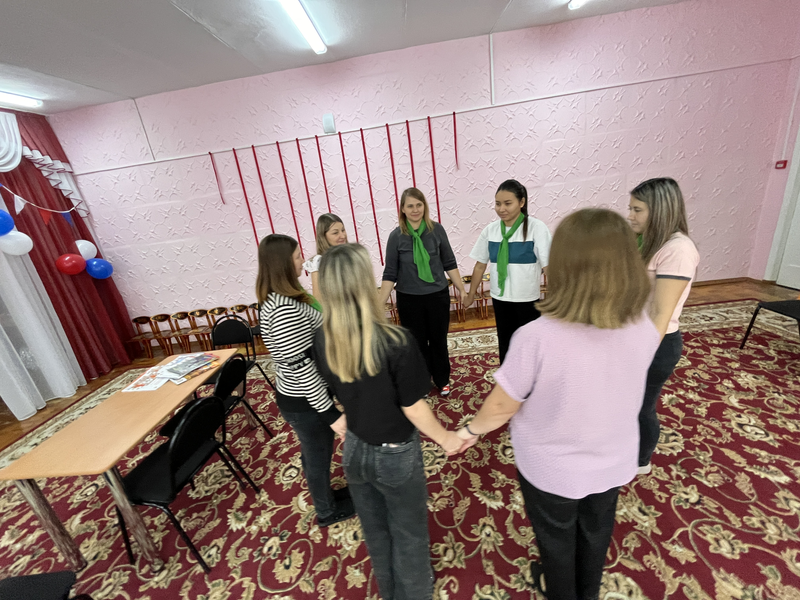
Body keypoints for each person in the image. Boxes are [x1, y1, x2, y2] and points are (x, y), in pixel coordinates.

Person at [455, 209, 659, 600]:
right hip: (612, 459)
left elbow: (500, 407)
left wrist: (469, 430)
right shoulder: (644, 325)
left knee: (556, 537)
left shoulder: (536, 337)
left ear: (564, 265)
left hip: (553, 469)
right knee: (596, 532)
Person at [314, 243, 462, 600]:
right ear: (365, 283)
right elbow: (414, 408)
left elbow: (333, 390)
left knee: (377, 533)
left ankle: (390, 591)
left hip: (354, 449)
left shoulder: (323, 339)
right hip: (395, 454)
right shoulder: (396, 340)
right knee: (409, 534)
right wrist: (446, 438)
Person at [256, 234, 355, 527]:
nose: (303, 260)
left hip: (307, 396)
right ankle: (326, 511)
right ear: (283, 263)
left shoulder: (287, 298)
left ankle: (327, 497)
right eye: (298, 256)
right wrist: (330, 413)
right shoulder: (283, 310)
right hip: (304, 401)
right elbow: (300, 368)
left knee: (316, 451)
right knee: (317, 455)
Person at [628, 177, 699, 474]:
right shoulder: (646, 241)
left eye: (637, 210)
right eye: (630, 208)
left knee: (640, 406)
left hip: (655, 344)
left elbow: (660, 313)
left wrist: (639, 356)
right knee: (624, 403)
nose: (630, 216)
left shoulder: (678, 250)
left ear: (659, 211)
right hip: (632, 336)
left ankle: (640, 461)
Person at [378, 188, 465, 396]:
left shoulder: (437, 230)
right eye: (410, 206)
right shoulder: (396, 237)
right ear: (402, 209)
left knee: (438, 341)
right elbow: (390, 273)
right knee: (416, 344)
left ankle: (442, 379)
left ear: (424, 206)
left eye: (419, 205)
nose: (415, 209)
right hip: (409, 299)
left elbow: (449, 262)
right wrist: (379, 303)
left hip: (437, 296)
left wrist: (462, 289)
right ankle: (423, 381)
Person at [463, 179, 552, 363]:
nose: (501, 209)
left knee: (529, 345)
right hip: (500, 298)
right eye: (498, 204)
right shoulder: (491, 231)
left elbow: (548, 266)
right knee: (505, 342)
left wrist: (560, 296)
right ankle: (507, 376)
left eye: (507, 203)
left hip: (527, 299)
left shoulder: (536, 228)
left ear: (522, 202)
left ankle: (530, 378)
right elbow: (480, 265)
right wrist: (471, 294)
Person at [303, 213, 349, 297]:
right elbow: (318, 299)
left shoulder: (351, 256)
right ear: (323, 236)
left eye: (343, 230)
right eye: (335, 233)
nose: (342, 236)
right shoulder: (319, 262)